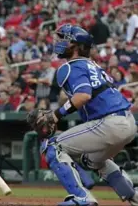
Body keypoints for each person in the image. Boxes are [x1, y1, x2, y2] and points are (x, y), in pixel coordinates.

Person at [34, 24, 138, 206]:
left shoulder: (70, 67)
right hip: (127, 122)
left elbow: (83, 96)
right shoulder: (92, 65)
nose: (59, 42)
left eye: (64, 39)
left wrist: (56, 115)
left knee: (52, 146)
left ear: (76, 45)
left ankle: (82, 198)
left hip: (110, 123)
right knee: (92, 161)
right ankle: (133, 195)